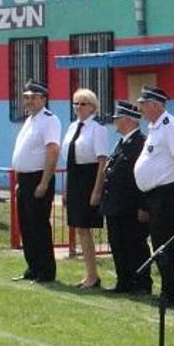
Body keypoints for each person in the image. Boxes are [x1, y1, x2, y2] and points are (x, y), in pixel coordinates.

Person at [133, 86, 174, 307]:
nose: (140, 108)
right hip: (155, 193)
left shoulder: (170, 126)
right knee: (159, 242)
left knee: (165, 243)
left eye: (143, 104)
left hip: (169, 191)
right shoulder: (155, 127)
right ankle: (168, 289)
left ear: (155, 105)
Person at [11, 83, 61, 283]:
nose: (28, 101)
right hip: (24, 179)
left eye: (33, 97)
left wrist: (44, 182)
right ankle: (33, 267)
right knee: (27, 226)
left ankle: (46, 271)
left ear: (43, 99)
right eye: (26, 97)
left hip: (38, 177)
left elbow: (52, 150)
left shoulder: (49, 120)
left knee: (39, 225)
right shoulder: (30, 120)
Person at [101, 101, 151, 295]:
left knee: (135, 245)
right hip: (115, 205)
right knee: (118, 244)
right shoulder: (122, 143)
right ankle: (124, 281)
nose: (115, 122)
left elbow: (142, 176)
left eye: (118, 119)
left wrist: (143, 205)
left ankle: (141, 282)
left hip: (130, 205)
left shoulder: (140, 142)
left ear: (129, 120)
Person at [63, 89, 108, 289]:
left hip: (89, 178)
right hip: (74, 177)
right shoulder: (73, 127)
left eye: (83, 104)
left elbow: (101, 161)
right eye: (76, 104)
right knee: (78, 227)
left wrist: (97, 189)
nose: (79, 108)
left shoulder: (98, 129)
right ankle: (89, 274)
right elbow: (69, 159)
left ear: (93, 107)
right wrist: (65, 188)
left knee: (85, 227)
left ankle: (93, 275)